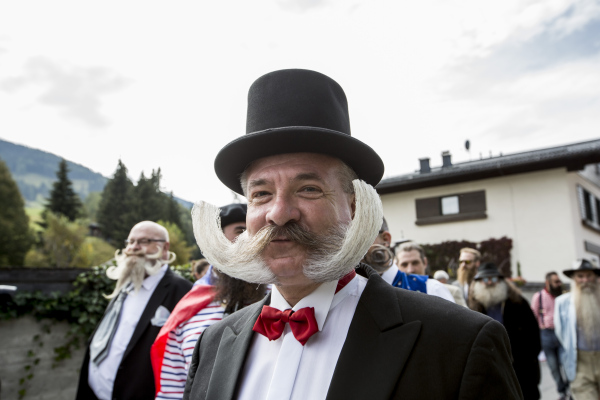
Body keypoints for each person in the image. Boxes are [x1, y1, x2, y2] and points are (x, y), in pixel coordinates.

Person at [183, 68, 522, 400]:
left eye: (309, 189)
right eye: (261, 194)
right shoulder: (212, 344)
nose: (278, 213)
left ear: (356, 207)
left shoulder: (457, 342)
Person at [151, 204, 267, 400]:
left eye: (255, 230)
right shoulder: (192, 305)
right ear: (216, 241)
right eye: (241, 230)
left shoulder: (282, 299)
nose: (250, 238)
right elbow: (172, 388)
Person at [76, 221, 192, 400]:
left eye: (144, 241)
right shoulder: (126, 283)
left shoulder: (182, 291)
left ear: (165, 247)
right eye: (130, 242)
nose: (133, 248)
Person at [468, 262, 541, 399]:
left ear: (501, 281)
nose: (490, 282)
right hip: (490, 369)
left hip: (520, 368)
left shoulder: (518, 303)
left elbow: (534, 335)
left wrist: (529, 361)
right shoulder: (474, 307)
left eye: (494, 279)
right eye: (485, 279)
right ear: (478, 282)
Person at [555, 259, 600, 400]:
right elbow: (561, 333)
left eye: (589, 275)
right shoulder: (562, 303)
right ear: (574, 279)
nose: (585, 280)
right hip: (580, 363)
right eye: (580, 276)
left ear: (595, 277)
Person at [531, 271, 569, 399]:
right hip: (546, 334)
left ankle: (570, 388)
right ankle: (561, 390)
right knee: (554, 367)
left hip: (562, 333)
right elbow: (533, 316)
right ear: (548, 283)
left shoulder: (562, 295)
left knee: (566, 362)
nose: (559, 284)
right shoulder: (539, 296)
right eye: (556, 282)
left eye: (559, 281)